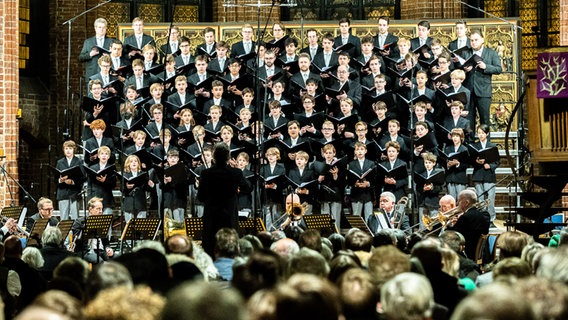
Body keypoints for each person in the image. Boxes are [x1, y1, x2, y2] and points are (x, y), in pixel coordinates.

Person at [197, 143, 251, 256]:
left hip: (212, 218)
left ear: (213, 157)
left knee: (210, 250)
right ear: (228, 157)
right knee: (229, 250)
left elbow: (200, 197)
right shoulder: (236, 172)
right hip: (229, 217)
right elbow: (247, 188)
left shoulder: (206, 173)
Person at [462, 29, 502, 127]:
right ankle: (470, 142)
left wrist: (486, 67)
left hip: (483, 91)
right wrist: (465, 70)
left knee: (484, 120)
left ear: (482, 40)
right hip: (468, 91)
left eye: (476, 40)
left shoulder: (491, 53)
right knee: (469, 120)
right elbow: (458, 70)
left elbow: (498, 69)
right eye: (471, 40)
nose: (474, 42)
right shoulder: (465, 53)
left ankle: (485, 142)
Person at [446, 189, 490, 259]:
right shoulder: (481, 215)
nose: (457, 203)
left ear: (466, 203)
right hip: (480, 253)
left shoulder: (465, 217)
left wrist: (447, 225)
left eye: (459, 201)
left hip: (468, 254)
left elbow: (452, 235)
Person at [71, 197, 114, 264]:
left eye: (101, 209)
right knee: (100, 262)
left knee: (117, 259)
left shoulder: (102, 221)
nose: (101, 211)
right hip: (86, 251)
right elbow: (76, 241)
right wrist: (85, 228)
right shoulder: (79, 222)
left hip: (100, 250)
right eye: (98, 209)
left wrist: (108, 248)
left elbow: (106, 241)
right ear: (90, 209)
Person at [471, 124, 500, 225]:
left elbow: (497, 162)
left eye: (482, 133)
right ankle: (481, 218)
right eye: (479, 133)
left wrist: (490, 166)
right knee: (480, 198)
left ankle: (491, 219)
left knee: (490, 198)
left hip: (489, 175)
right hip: (478, 174)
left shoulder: (492, 146)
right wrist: (476, 162)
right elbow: (470, 160)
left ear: (487, 134)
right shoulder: (474, 146)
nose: (480, 135)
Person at [55, 140, 85, 220]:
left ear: (74, 149)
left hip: (74, 193)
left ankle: (75, 233)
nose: (68, 150)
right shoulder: (60, 162)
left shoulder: (79, 161)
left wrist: (72, 182)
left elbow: (82, 177)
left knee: (75, 218)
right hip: (63, 192)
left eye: (70, 148)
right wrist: (60, 180)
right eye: (66, 148)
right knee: (63, 218)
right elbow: (55, 177)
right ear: (64, 150)